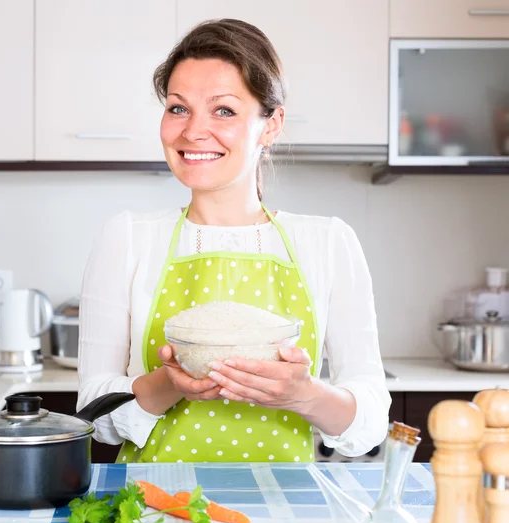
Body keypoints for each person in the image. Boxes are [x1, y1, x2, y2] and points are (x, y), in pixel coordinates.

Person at [77, 18, 391, 463]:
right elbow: (94, 416)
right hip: (155, 508)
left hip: (283, 510)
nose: (192, 131)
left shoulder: (328, 243)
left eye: (223, 110)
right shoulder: (127, 238)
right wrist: (169, 383)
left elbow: (372, 420)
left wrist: (302, 395)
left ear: (271, 125)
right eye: (178, 108)